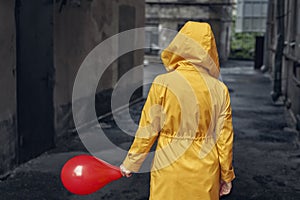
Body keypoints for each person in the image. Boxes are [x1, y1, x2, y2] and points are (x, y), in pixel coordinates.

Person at [120, 21, 235, 200]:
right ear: (209, 49)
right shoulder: (219, 89)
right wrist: (226, 176)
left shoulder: (162, 83)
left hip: (168, 166)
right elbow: (224, 138)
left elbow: (148, 128)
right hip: (205, 170)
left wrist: (131, 163)